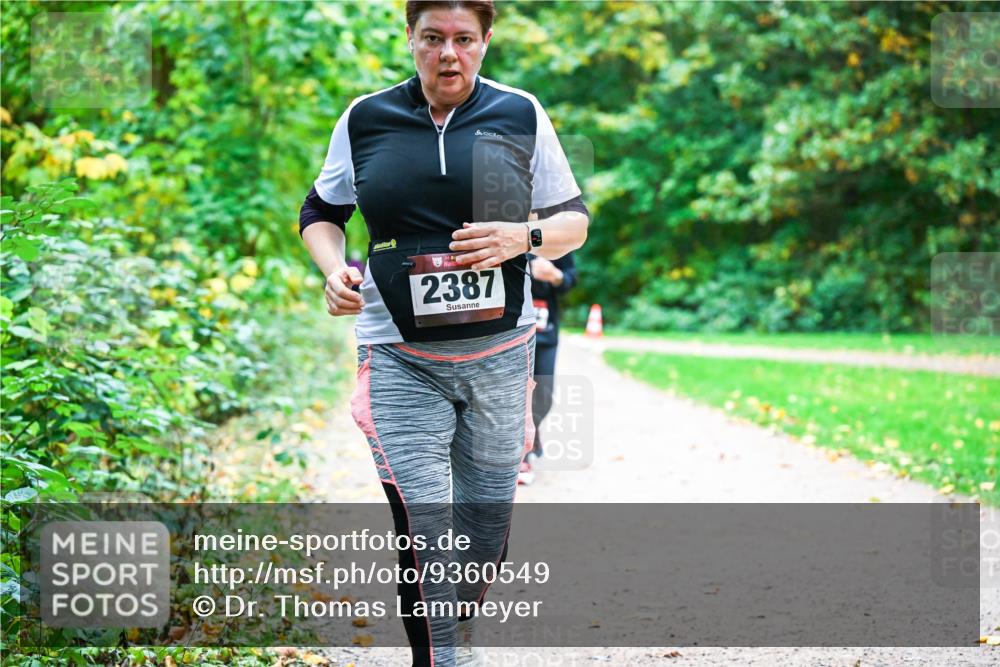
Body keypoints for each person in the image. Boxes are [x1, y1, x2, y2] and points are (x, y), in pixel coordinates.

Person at [297, 2, 589, 666]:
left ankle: (455, 631)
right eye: (432, 39)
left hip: (501, 353)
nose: (447, 54)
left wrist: (524, 235)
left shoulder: (519, 113)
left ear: (486, 42)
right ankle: (443, 656)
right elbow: (322, 210)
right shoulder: (366, 118)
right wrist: (333, 268)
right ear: (410, 39)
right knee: (425, 530)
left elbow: (574, 220)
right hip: (399, 356)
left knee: (484, 534)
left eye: (463, 39)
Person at [517, 249, 578, 486]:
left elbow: (571, 278)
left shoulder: (556, 238)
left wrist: (555, 276)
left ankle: (534, 433)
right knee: (514, 396)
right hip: (511, 331)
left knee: (543, 396)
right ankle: (521, 455)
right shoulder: (501, 228)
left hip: (545, 332)